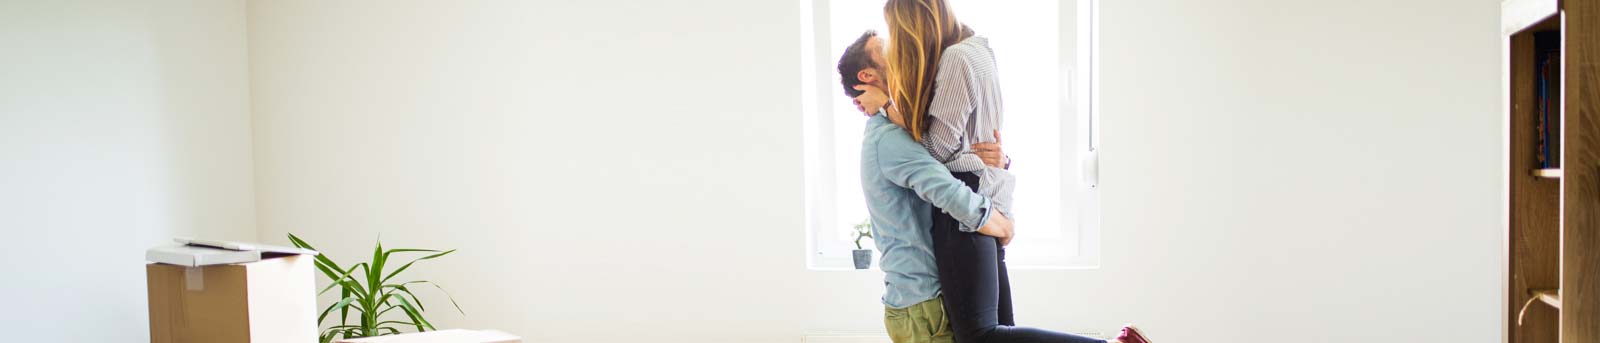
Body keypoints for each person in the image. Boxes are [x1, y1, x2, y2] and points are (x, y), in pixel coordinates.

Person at [845, 1, 1156, 342]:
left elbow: (938, 152)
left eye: (894, 36)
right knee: (998, 333)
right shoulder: (977, 51)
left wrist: (893, 108)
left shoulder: (955, 60)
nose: (896, 47)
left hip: (970, 208)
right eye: (885, 46)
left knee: (983, 335)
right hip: (982, 198)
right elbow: (958, 148)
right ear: (868, 75)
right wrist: (997, 183)